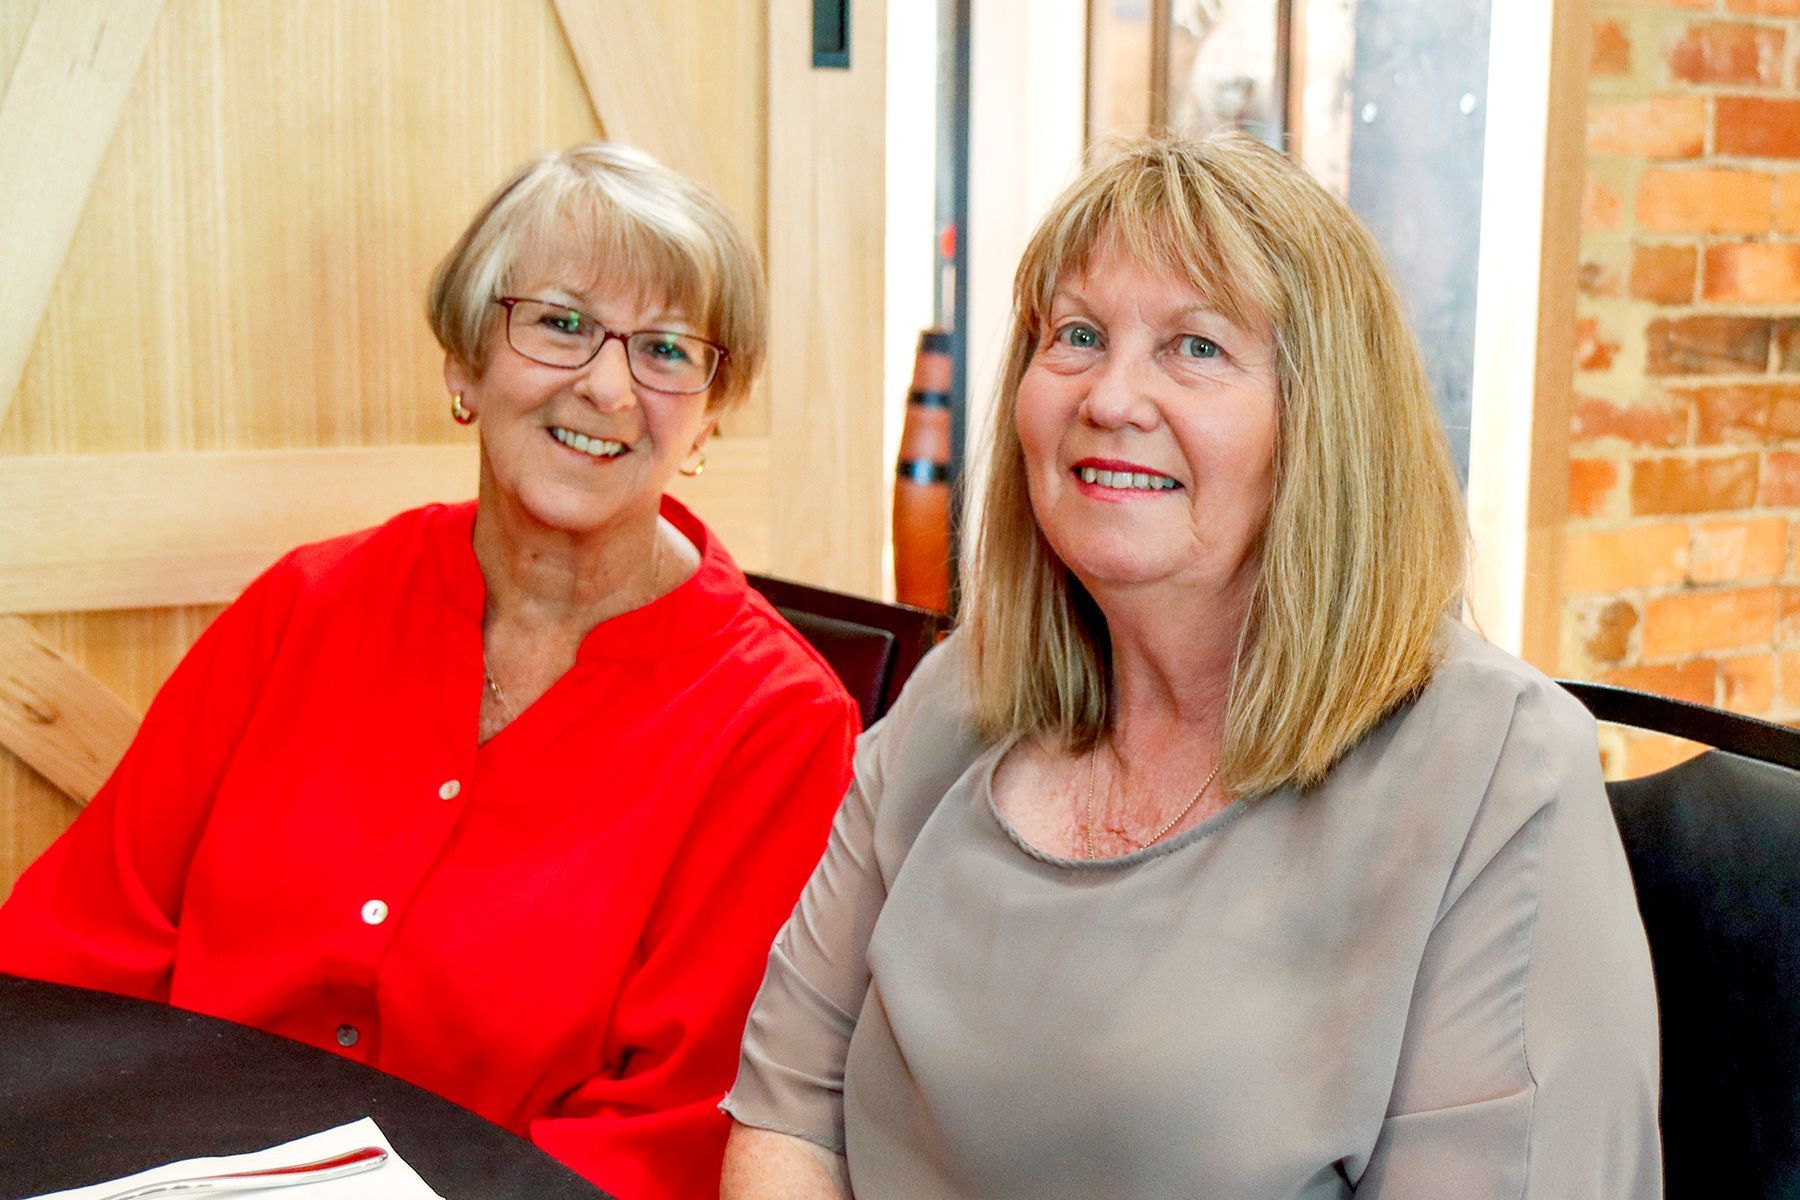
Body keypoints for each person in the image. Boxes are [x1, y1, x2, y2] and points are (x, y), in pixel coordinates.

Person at [719, 132, 1661, 1199]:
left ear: (1324, 422)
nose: (1111, 398)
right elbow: (788, 1112)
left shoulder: (1493, 766)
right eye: (1077, 336)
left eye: (1195, 347)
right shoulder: (960, 697)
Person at [0, 142, 860, 1200]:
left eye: (666, 349)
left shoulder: (779, 724)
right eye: (561, 324)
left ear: (708, 413)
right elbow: (79, 949)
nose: (606, 386)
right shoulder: (302, 607)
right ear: (465, 362)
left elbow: (667, 1127)